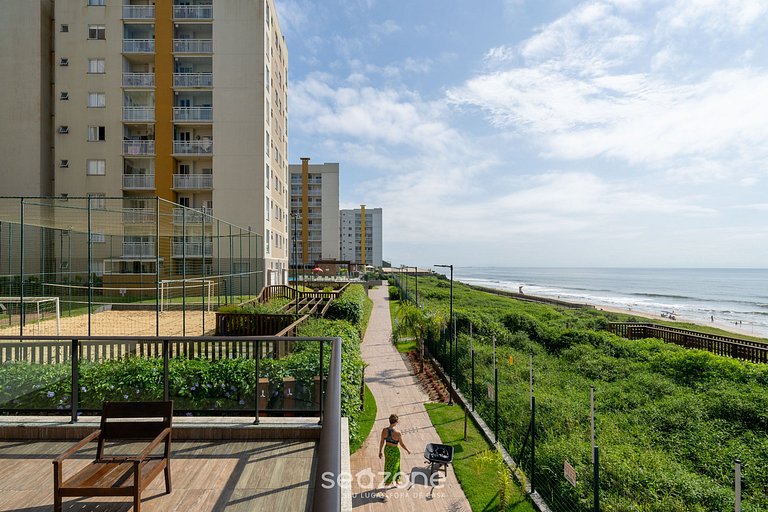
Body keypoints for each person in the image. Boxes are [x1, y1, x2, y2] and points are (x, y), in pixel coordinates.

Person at [379, 414, 411, 495]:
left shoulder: (384, 430)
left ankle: (397, 480)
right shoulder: (398, 433)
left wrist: (380, 451)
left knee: (389, 466)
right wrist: (407, 450)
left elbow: (382, 441)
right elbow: (402, 444)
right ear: (396, 422)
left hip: (387, 450)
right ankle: (386, 486)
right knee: (393, 467)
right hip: (395, 451)